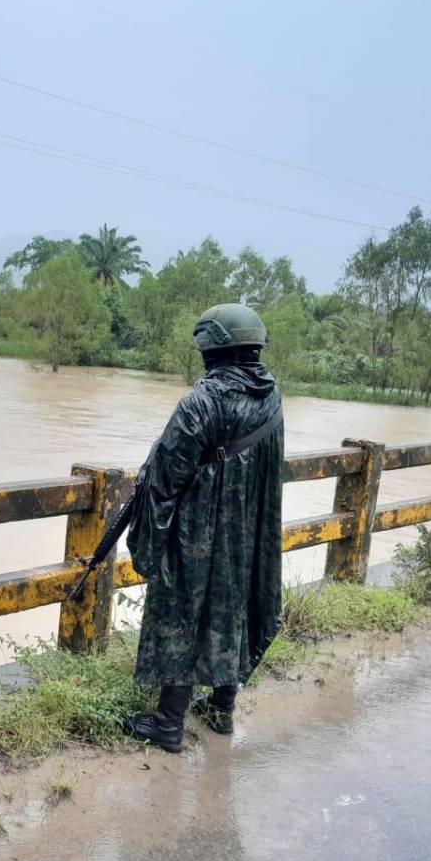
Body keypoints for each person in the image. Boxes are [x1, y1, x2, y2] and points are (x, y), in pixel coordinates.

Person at [120, 303, 284, 752]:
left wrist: (151, 543)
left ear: (211, 349)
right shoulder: (271, 396)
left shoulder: (201, 402)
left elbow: (166, 476)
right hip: (247, 532)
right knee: (232, 606)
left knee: (183, 609)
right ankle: (221, 709)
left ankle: (169, 723)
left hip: (197, 532)